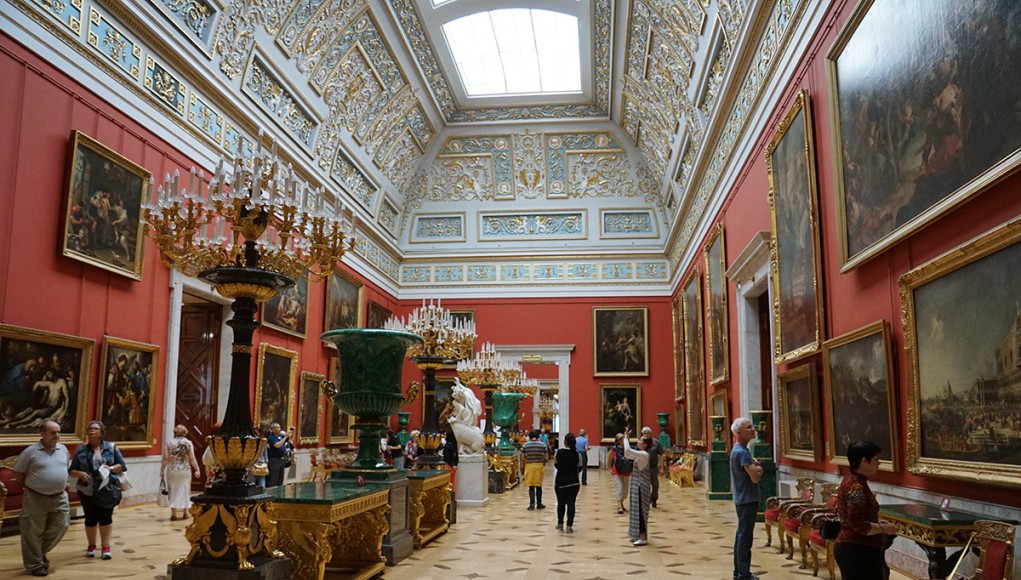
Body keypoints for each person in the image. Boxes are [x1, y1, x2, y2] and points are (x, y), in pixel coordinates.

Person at [14, 420, 70, 576]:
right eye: (53, 432)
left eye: (59, 432)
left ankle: (38, 552)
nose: (57, 436)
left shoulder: (63, 449)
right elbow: (19, 475)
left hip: (59, 497)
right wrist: (33, 488)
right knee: (32, 531)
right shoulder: (30, 452)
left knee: (62, 525)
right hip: (35, 497)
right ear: (42, 433)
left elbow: (65, 468)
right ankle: (35, 564)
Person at [834, 440, 897, 580]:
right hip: (857, 550)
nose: (878, 463)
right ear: (864, 461)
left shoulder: (853, 480)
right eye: (875, 459)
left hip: (854, 548)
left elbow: (858, 516)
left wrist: (878, 522)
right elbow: (858, 525)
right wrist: (884, 528)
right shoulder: (856, 487)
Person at [69, 420, 127, 561]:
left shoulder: (111, 448)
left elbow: (122, 466)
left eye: (95, 428)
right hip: (87, 489)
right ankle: (91, 546)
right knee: (90, 517)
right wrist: (79, 473)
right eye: (89, 428)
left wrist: (111, 468)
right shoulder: (81, 450)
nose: (92, 431)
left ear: (101, 432)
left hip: (106, 487)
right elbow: (71, 470)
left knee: (105, 517)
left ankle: (106, 546)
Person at [730, 417, 763, 580]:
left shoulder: (739, 450)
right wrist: (759, 468)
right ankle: (743, 574)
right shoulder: (742, 452)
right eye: (748, 427)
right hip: (747, 499)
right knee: (745, 538)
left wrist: (753, 466)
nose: (753, 429)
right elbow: (755, 477)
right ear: (739, 433)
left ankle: (739, 572)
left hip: (742, 498)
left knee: (741, 536)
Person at [161, 424, 200, 521]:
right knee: (185, 489)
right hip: (185, 470)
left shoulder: (169, 443)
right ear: (185, 433)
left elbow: (166, 458)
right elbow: (192, 459)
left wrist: (162, 470)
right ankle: (185, 512)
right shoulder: (188, 443)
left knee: (172, 490)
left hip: (172, 469)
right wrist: (197, 469)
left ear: (174, 432)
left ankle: (173, 514)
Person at [622, 428, 652, 546]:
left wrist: (625, 438)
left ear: (644, 445)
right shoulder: (640, 454)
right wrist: (627, 438)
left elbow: (628, 450)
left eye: (640, 440)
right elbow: (627, 453)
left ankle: (643, 536)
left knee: (640, 510)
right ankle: (636, 534)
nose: (638, 441)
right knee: (635, 509)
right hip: (636, 484)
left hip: (641, 485)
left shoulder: (644, 455)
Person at [554, 432, 582, 532]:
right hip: (574, 482)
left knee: (561, 503)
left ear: (565, 442)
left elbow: (556, 465)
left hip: (561, 482)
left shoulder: (559, 453)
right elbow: (580, 467)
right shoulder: (577, 454)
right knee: (571, 504)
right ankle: (569, 526)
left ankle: (560, 523)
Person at [522, 429, 548, 510]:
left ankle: (532, 504)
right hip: (539, 466)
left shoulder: (526, 445)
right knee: (539, 486)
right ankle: (539, 503)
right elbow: (546, 455)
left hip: (529, 466)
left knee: (531, 486)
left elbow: (523, 457)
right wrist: (544, 461)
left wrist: (523, 466)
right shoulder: (542, 445)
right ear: (537, 437)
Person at [608, 432, 632, 514]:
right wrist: (610, 467)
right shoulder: (614, 449)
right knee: (619, 488)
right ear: (618, 440)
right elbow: (610, 458)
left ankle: (621, 503)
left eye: (623, 439)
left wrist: (627, 435)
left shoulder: (627, 448)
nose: (623, 440)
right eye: (621, 439)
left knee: (625, 490)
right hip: (617, 471)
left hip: (626, 471)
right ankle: (619, 506)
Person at [641, 426, 663, 507]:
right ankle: (646, 500)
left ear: (651, 433)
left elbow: (661, 455)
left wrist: (662, 468)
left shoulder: (656, 442)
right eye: (645, 433)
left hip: (653, 468)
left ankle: (653, 499)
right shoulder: (640, 442)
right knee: (644, 486)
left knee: (655, 486)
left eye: (648, 433)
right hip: (643, 468)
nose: (646, 435)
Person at [266, 423, 292, 488]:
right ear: (273, 429)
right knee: (274, 479)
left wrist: (289, 434)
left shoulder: (281, 436)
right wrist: (285, 437)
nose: (279, 429)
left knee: (280, 479)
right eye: (277, 427)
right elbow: (277, 445)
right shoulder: (271, 437)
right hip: (274, 460)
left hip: (282, 459)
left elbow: (288, 441)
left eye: (279, 427)